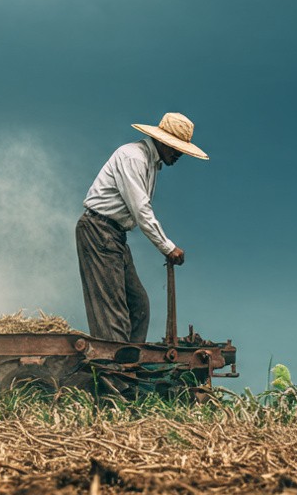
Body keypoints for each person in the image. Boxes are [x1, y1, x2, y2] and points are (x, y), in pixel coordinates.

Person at [77, 112, 207, 342]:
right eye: (176, 148)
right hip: (99, 231)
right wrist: (167, 247)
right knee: (113, 312)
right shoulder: (134, 158)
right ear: (162, 141)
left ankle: (133, 363)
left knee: (138, 306)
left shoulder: (150, 162)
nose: (178, 155)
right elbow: (141, 209)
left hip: (114, 235)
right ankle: (115, 371)